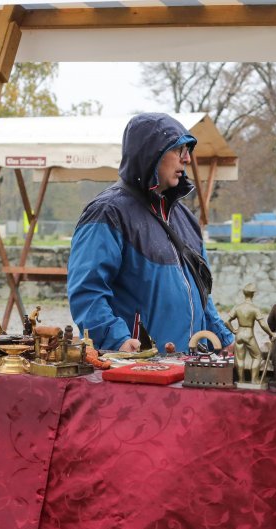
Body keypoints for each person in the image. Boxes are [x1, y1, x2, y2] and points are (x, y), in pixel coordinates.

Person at [67, 113, 233, 353]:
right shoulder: (108, 212)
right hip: (140, 367)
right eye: (178, 150)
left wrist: (223, 338)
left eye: (188, 150)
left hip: (191, 364)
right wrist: (117, 340)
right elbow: (86, 292)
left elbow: (201, 294)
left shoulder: (185, 218)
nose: (187, 158)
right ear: (151, 153)